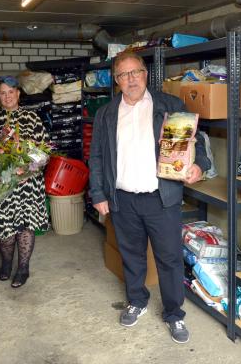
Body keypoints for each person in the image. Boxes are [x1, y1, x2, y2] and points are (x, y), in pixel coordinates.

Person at [88, 51, 209, 344]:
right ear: (116, 81)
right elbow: (97, 156)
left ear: (145, 74)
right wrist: (98, 193)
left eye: (135, 72)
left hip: (161, 197)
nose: (131, 80)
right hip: (123, 198)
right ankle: (137, 300)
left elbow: (197, 146)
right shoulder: (106, 113)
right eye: (123, 75)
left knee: (169, 258)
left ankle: (174, 314)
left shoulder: (169, 105)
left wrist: (197, 166)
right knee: (131, 255)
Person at [0, 75, 49, 288]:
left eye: (11, 92)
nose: (7, 96)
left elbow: (42, 155)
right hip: (0, 184)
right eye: (3, 93)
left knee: (25, 226)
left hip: (27, 185)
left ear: (18, 93)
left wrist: (25, 171)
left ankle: (23, 268)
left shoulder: (32, 119)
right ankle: (6, 262)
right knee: (4, 228)